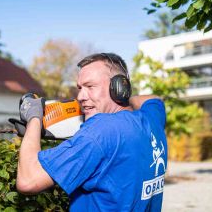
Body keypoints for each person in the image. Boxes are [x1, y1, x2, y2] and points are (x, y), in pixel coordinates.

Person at [16, 53, 167, 211]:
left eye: (90, 87)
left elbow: (28, 181)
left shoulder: (100, 131)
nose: (80, 96)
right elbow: (154, 99)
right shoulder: (152, 119)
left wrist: (34, 117)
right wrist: (120, 99)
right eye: (80, 88)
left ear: (118, 87)